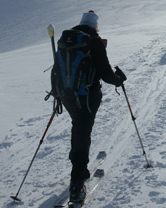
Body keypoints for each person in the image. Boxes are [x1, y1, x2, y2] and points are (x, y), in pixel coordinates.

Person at [55, 11, 126, 203]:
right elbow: (105, 73)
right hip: (87, 96)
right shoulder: (93, 41)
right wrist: (119, 80)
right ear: (95, 26)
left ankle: (75, 160)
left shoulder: (66, 39)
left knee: (77, 125)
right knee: (83, 131)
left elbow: (57, 68)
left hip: (67, 95)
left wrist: (58, 93)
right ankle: (77, 183)